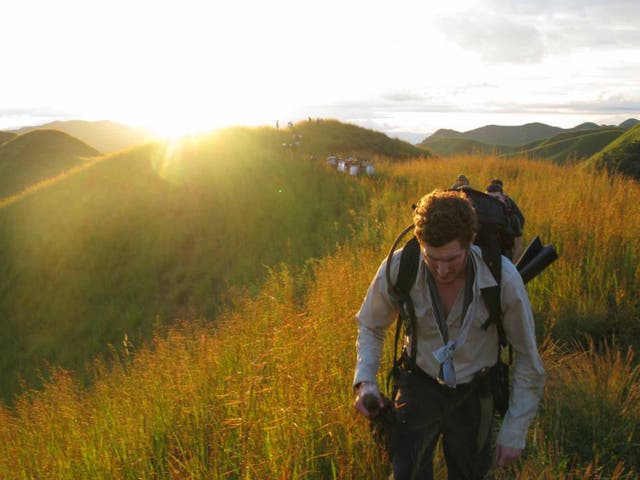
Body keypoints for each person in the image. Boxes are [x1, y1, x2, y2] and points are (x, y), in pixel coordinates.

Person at [352, 189, 546, 480]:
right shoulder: (401, 266)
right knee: (408, 473)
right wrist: (365, 381)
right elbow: (371, 325)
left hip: (475, 392)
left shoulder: (502, 278)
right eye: (432, 258)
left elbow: (528, 359)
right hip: (419, 384)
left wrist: (514, 430)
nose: (442, 270)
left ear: (470, 243)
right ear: (420, 243)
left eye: (452, 259)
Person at [485, 183, 524, 262]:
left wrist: (512, 267)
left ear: (503, 198)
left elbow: (519, 246)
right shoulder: (479, 218)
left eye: (497, 198)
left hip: (506, 260)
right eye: (490, 198)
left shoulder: (512, 219)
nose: (493, 201)